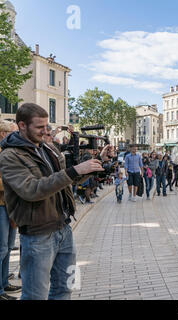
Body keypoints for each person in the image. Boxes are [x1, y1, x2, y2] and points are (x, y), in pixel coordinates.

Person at [0, 103, 105, 300]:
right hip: (38, 235)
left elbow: (64, 181)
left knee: (65, 288)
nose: (46, 131)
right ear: (22, 125)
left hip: (64, 229)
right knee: (35, 296)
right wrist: (75, 171)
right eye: (40, 127)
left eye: (46, 126)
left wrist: (90, 167)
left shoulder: (47, 148)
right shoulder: (9, 156)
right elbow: (32, 190)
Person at [0, 120, 21, 300]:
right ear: (2, 134)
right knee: (1, 249)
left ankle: (4, 282)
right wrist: (13, 182)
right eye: (11, 134)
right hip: (1, 205)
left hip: (9, 205)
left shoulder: (8, 153)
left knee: (7, 248)